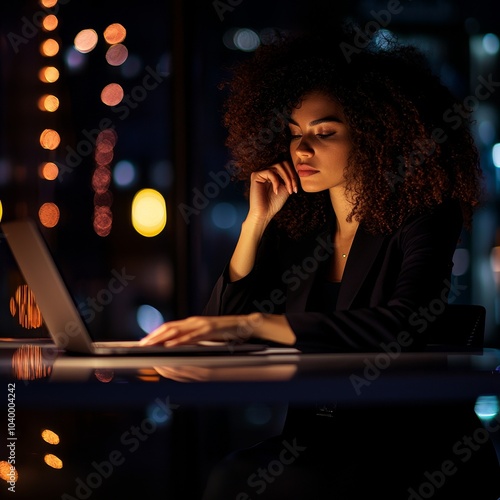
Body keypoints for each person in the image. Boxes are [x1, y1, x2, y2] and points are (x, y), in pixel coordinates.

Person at [141, 26, 499, 498]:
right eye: (294, 134)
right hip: (316, 441)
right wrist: (255, 224)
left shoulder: (425, 218)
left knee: (234, 480)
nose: (301, 149)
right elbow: (218, 331)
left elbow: (402, 325)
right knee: (231, 475)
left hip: (408, 448)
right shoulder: (301, 231)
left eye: (324, 132)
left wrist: (253, 324)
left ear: (375, 135)